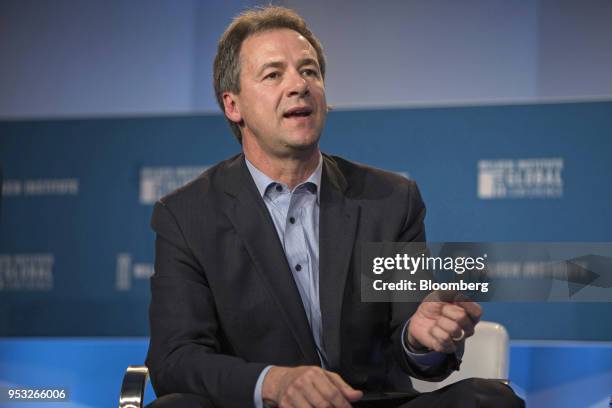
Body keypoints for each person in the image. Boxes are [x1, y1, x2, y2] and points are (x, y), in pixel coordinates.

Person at [145, 6, 523, 408]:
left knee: (488, 400)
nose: (299, 85)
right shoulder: (187, 216)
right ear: (233, 105)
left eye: (309, 71)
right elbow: (176, 359)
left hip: (367, 402)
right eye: (274, 75)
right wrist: (272, 382)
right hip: (261, 405)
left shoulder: (389, 200)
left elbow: (410, 345)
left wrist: (419, 339)